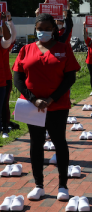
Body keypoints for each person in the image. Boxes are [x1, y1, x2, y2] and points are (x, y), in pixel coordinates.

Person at [13, 13, 80, 201]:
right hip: (32, 106)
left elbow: (70, 77)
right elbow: (18, 77)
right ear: (36, 29)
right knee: (36, 143)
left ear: (54, 30)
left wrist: (51, 99)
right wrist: (33, 99)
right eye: (40, 28)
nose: (43, 32)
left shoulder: (63, 48)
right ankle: (38, 185)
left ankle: (63, 186)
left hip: (57, 106)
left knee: (59, 142)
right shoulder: (26, 49)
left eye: (47, 29)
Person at [0, 12, 16, 138]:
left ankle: (4, 127)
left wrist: (6, 21)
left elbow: (9, 38)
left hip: (3, 80)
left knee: (3, 105)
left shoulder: (2, 44)